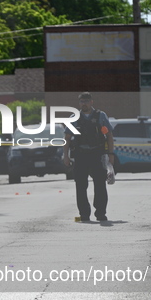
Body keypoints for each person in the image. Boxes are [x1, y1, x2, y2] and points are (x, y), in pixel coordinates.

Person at [63, 92, 114, 222]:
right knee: (80, 186)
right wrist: (66, 156)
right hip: (80, 155)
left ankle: (101, 213)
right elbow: (67, 139)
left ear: (92, 102)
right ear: (79, 103)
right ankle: (84, 214)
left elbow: (109, 136)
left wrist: (110, 155)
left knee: (100, 185)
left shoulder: (100, 116)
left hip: (97, 154)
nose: (84, 103)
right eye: (81, 101)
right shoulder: (74, 117)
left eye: (86, 101)